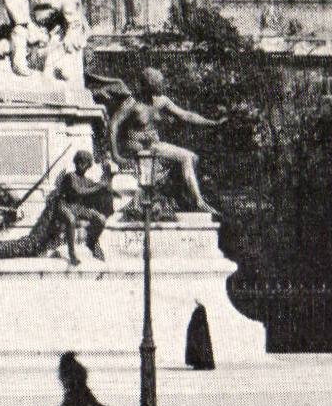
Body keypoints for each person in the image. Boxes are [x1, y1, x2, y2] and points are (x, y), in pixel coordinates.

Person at [112, 67, 227, 215]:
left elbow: (186, 115)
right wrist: (116, 155)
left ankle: (188, 198)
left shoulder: (162, 101)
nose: (162, 86)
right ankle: (196, 201)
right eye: (159, 83)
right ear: (148, 85)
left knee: (192, 158)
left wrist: (213, 123)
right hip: (137, 147)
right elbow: (113, 125)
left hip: (155, 145)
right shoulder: (131, 103)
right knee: (180, 159)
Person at [52, 152, 114, 266]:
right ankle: (72, 254)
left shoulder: (87, 180)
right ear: (76, 162)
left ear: (88, 165)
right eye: (80, 162)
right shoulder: (70, 177)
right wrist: (99, 186)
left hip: (78, 207)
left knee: (100, 219)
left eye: (85, 163)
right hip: (64, 205)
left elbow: (100, 188)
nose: (82, 165)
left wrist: (107, 176)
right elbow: (78, 191)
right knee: (70, 220)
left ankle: (92, 242)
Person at [185, 300, 215, 370]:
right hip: (199, 332)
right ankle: (201, 362)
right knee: (200, 347)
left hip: (199, 332)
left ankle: (200, 362)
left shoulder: (199, 311)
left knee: (200, 347)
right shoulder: (200, 312)